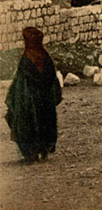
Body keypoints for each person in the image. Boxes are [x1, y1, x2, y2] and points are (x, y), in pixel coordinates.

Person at [5, 26, 63, 164]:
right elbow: (53, 82)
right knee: (44, 123)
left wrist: (14, 102)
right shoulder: (46, 58)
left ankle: (31, 155)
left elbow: (19, 86)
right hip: (45, 102)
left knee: (27, 124)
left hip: (29, 103)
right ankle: (43, 151)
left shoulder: (26, 60)